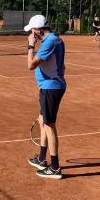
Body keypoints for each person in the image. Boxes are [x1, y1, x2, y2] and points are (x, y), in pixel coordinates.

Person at [25, 14, 66, 180]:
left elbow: (30, 65)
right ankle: (42, 159)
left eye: (32, 30)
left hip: (51, 88)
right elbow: (63, 65)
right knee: (43, 121)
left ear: (38, 30)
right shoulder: (56, 39)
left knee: (49, 125)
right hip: (49, 86)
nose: (31, 33)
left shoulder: (48, 42)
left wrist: (30, 46)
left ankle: (55, 167)